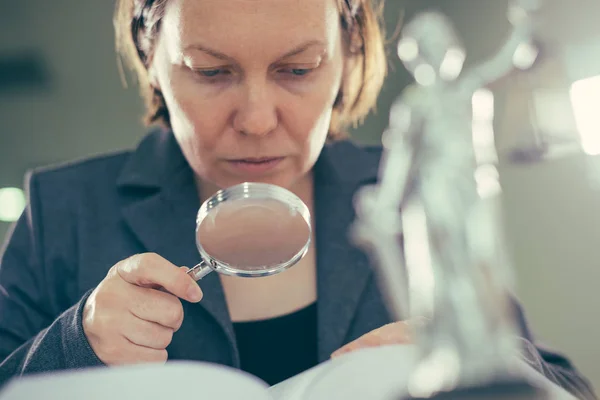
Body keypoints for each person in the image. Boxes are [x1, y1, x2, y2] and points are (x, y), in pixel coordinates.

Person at [0, 0, 595, 397]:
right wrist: (74, 343)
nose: (257, 120)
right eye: (211, 72)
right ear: (151, 59)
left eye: (298, 69)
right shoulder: (62, 210)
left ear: (348, 56)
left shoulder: (408, 192)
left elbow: (565, 384)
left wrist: (474, 357)